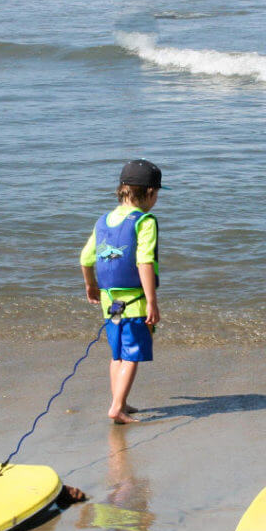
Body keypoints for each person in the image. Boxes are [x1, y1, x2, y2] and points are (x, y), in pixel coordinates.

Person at [80, 159, 164, 424]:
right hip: (135, 301)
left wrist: (90, 285)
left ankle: (121, 401)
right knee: (132, 354)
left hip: (110, 302)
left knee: (117, 352)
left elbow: (85, 257)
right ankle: (116, 408)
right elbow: (144, 261)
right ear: (150, 192)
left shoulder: (103, 220)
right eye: (157, 193)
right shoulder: (145, 222)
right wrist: (152, 301)